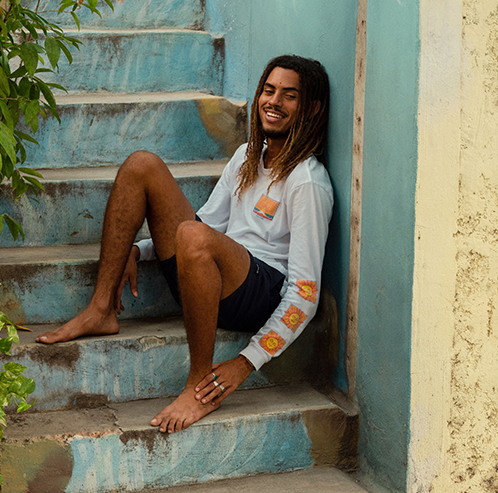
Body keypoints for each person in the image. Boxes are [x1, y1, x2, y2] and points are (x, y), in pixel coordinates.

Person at [37, 54, 333, 433]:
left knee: (193, 235)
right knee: (142, 164)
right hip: (209, 279)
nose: (273, 102)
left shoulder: (307, 181)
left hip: (259, 294)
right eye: (268, 90)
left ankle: (198, 383)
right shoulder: (247, 156)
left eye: (289, 96)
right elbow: (206, 223)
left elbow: (305, 293)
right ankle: (100, 308)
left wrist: (246, 361)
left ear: (312, 108)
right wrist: (138, 250)